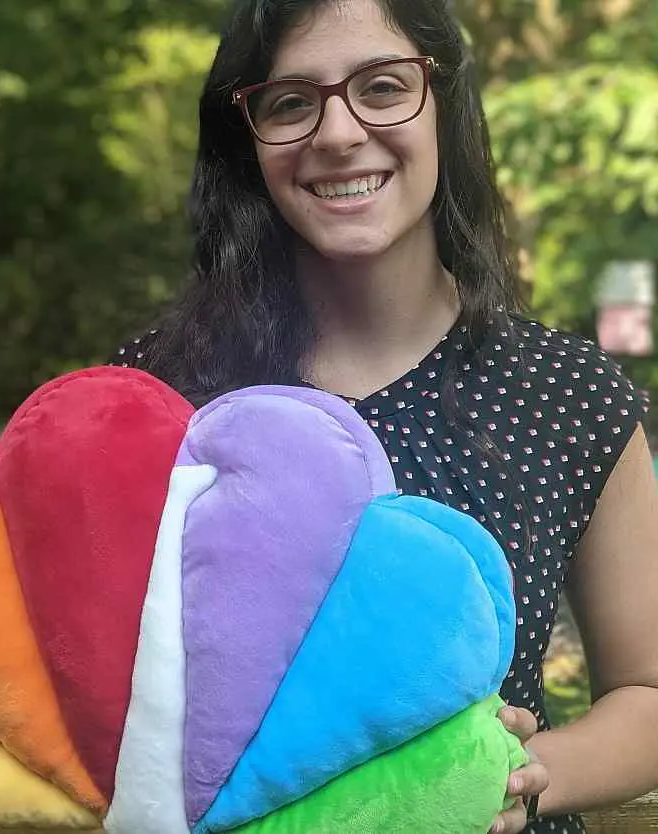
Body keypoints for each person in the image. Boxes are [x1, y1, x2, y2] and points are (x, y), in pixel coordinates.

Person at [108, 0, 658, 832]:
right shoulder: (158, 390)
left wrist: (521, 774)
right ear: (246, 139)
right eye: (291, 101)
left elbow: (647, 694)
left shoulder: (572, 395)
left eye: (383, 86)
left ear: (445, 106)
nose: (338, 132)